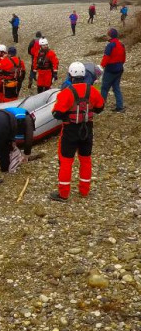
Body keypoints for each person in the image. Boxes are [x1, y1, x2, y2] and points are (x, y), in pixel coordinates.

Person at [49, 62, 104, 202]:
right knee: (85, 160)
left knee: (66, 161)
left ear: (70, 75)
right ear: (84, 75)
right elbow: (99, 108)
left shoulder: (66, 92)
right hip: (87, 129)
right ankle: (84, 191)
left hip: (70, 130)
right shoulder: (93, 90)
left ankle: (63, 194)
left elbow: (57, 114)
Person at [0, 107, 35, 184]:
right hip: (3, 122)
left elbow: (12, 130)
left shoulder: (22, 114)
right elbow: (29, 139)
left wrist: (12, 141)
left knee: (5, 143)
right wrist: (26, 154)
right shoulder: (29, 120)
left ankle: (5, 167)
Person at [100, 27, 126, 112]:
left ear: (110, 36)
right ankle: (120, 106)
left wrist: (101, 66)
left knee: (104, 88)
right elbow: (124, 58)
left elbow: (106, 58)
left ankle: (101, 106)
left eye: (108, 35)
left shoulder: (110, 45)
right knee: (116, 87)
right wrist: (120, 65)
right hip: (119, 69)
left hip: (110, 69)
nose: (107, 36)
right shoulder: (121, 44)